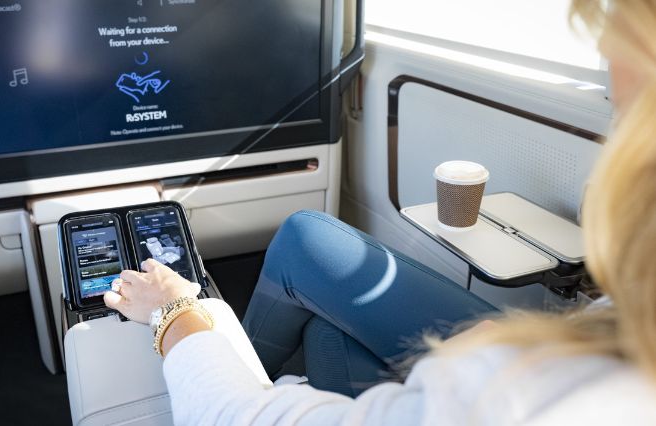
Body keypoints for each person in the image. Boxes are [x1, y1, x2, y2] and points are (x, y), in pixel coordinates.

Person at [104, 0, 656, 423]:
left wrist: (175, 311)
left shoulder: (554, 394)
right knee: (312, 265)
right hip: (553, 340)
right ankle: (259, 371)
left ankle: (248, 372)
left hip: (524, 368)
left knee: (316, 303)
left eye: (631, 112)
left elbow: (232, 419)